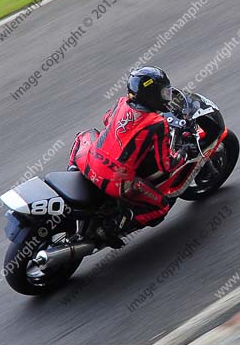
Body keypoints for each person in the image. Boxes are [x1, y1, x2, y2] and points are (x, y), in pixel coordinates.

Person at [68, 66, 195, 248]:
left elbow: (106, 120)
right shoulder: (158, 124)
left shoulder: (121, 103)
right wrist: (184, 152)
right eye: (161, 92)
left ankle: (72, 171)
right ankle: (116, 224)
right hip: (116, 182)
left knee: (84, 134)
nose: (164, 96)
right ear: (150, 95)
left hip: (87, 161)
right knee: (161, 207)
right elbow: (165, 164)